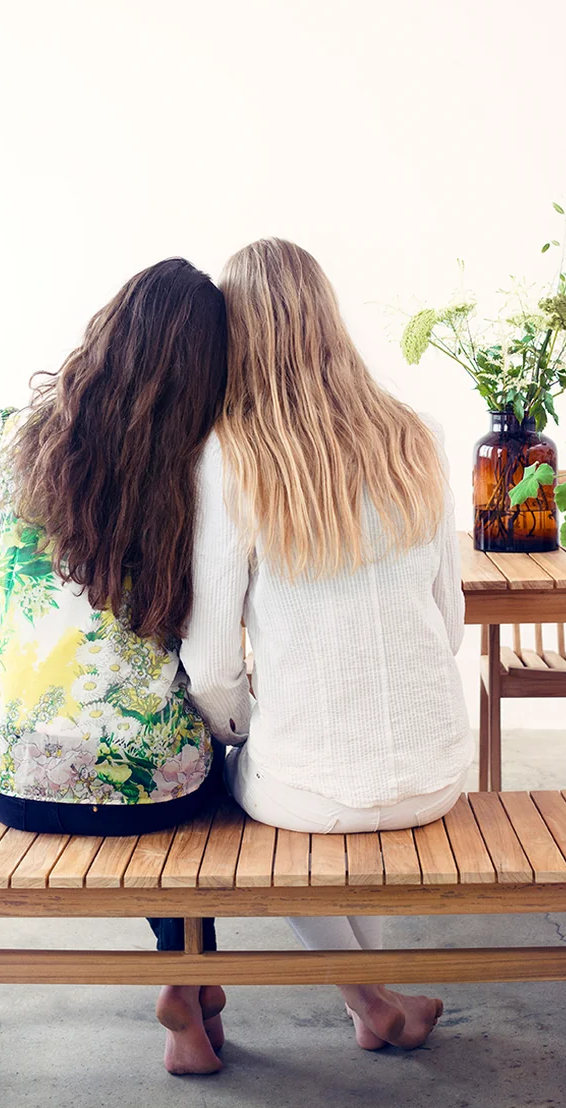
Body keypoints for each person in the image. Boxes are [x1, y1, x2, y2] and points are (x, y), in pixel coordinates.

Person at [181, 238, 471, 1051]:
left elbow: (211, 668)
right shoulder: (420, 434)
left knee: (241, 785)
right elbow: (448, 625)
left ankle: (368, 1002)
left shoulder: (229, 458)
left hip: (308, 796)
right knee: (339, 783)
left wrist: (246, 728)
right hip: (438, 772)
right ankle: (370, 1007)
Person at [0, 258, 229, 1075]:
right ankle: (187, 980)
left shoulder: (13, 438)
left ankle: (196, 999)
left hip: (6, 774)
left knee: (155, 744)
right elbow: (206, 643)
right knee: (205, 761)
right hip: (141, 794)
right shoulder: (193, 464)